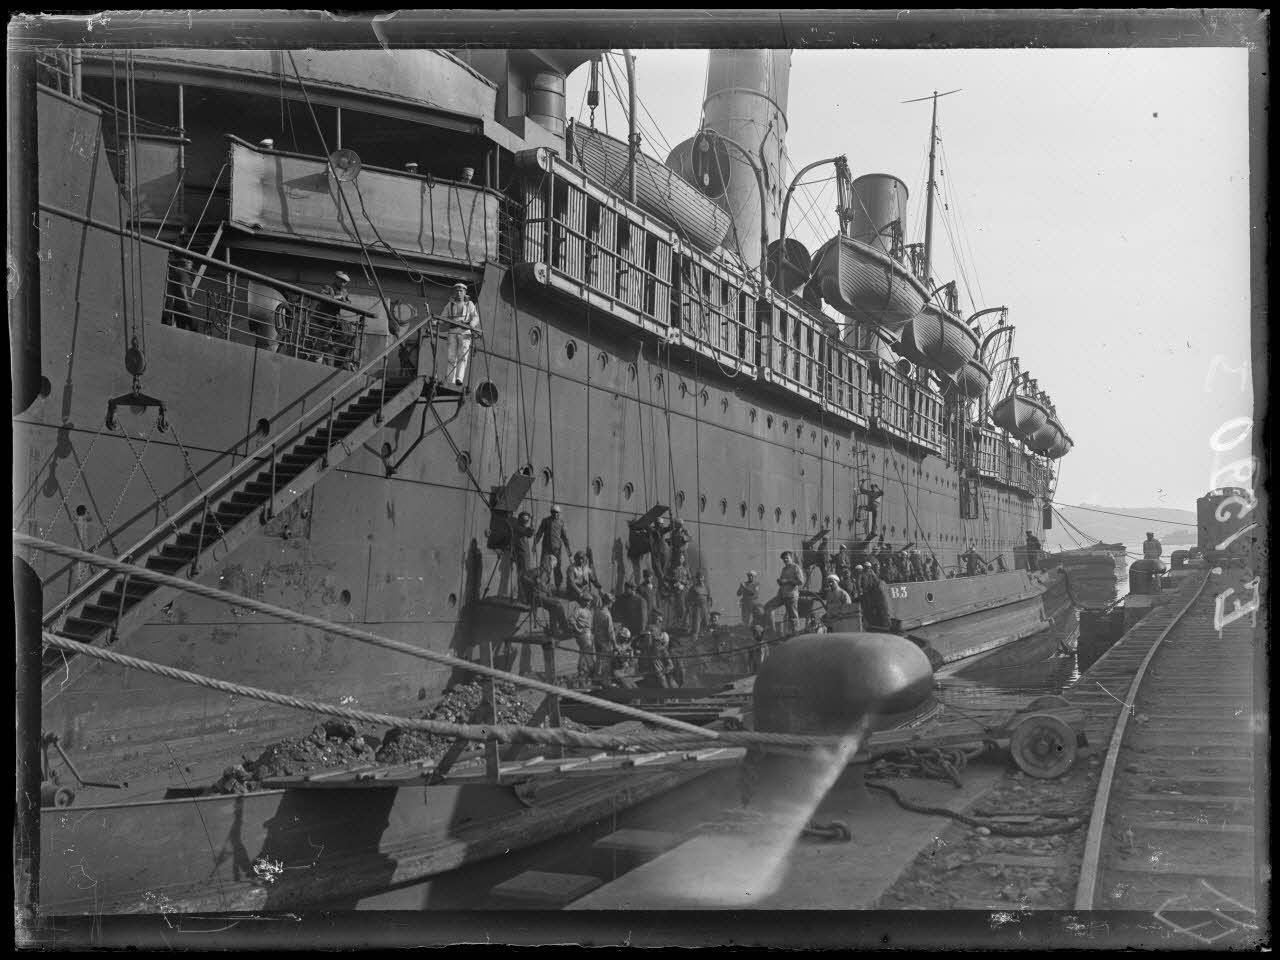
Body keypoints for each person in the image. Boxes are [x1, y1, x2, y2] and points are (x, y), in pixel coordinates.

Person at [310, 270, 354, 365]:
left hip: (334, 320)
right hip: (322, 319)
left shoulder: (344, 292)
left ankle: (332, 350)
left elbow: (349, 302)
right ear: (336, 279)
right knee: (322, 339)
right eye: (342, 281)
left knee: (348, 334)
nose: (343, 284)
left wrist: (345, 302)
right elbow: (322, 296)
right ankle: (318, 357)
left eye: (345, 282)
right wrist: (336, 298)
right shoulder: (328, 287)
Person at [441, 281, 482, 385]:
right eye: (457, 291)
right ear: (454, 292)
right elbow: (443, 317)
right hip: (452, 331)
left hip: (465, 332)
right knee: (451, 355)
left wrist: (472, 324)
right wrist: (436, 322)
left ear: (464, 292)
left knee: (462, 356)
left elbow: (475, 317)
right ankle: (451, 379)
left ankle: (459, 378)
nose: (459, 293)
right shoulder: (449, 305)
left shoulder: (469, 304)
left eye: (461, 290)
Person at [522, 554, 571, 635]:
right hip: (536, 597)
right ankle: (565, 628)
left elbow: (547, 588)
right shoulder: (538, 571)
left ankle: (553, 629)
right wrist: (534, 582)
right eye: (552, 565)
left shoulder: (547, 575)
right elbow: (523, 576)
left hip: (542, 597)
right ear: (548, 563)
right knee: (557, 605)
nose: (552, 568)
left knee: (553, 607)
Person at [762, 550, 803, 636]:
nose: (785, 560)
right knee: (768, 607)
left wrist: (787, 581)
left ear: (791, 558)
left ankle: (796, 635)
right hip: (782, 594)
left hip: (791, 595)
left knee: (793, 616)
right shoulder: (784, 569)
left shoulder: (796, 567)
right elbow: (782, 582)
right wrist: (780, 582)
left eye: (786, 558)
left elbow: (800, 581)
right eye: (784, 559)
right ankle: (772, 631)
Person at [533, 504, 571, 589]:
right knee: (544, 567)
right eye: (554, 512)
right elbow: (539, 533)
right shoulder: (545, 521)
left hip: (556, 549)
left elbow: (565, 538)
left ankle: (558, 587)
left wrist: (569, 552)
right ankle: (544, 586)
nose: (555, 514)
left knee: (557, 568)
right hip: (546, 548)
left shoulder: (561, 523)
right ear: (551, 512)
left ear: (559, 513)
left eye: (557, 513)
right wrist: (534, 545)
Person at [511, 510, 535, 601]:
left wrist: (531, 523)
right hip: (521, 555)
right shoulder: (518, 528)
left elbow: (529, 534)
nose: (526, 522)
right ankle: (521, 596)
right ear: (520, 520)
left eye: (527, 521)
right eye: (525, 520)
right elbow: (529, 532)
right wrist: (532, 522)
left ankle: (522, 596)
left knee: (524, 575)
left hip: (525, 555)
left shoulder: (521, 528)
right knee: (523, 576)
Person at [686, 571, 713, 645]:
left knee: (706, 625)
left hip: (705, 608)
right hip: (697, 609)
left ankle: (706, 644)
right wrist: (690, 609)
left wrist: (709, 610)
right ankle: (693, 644)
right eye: (698, 578)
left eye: (701, 577)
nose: (700, 579)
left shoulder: (706, 588)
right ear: (696, 579)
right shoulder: (693, 588)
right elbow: (688, 599)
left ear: (703, 578)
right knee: (696, 627)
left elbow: (709, 599)